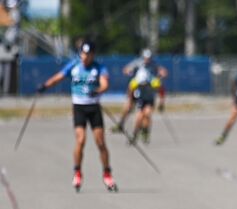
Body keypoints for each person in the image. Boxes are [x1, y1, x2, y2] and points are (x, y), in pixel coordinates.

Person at [37, 40, 118, 192]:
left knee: (100, 142)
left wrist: (98, 91)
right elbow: (58, 77)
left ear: (93, 54)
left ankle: (107, 173)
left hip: (93, 107)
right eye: (83, 54)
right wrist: (45, 86)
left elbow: (105, 84)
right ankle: (77, 172)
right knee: (80, 140)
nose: (85, 57)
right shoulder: (74, 66)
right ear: (80, 53)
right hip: (79, 107)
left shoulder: (99, 68)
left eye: (89, 54)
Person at [113, 48, 168, 137]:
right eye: (145, 58)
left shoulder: (154, 64)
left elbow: (163, 72)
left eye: (149, 58)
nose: (147, 60)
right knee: (128, 107)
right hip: (136, 88)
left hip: (148, 90)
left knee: (145, 113)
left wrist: (160, 76)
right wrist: (129, 72)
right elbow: (126, 69)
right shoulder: (137, 63)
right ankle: (121, 124)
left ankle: (142, 130)